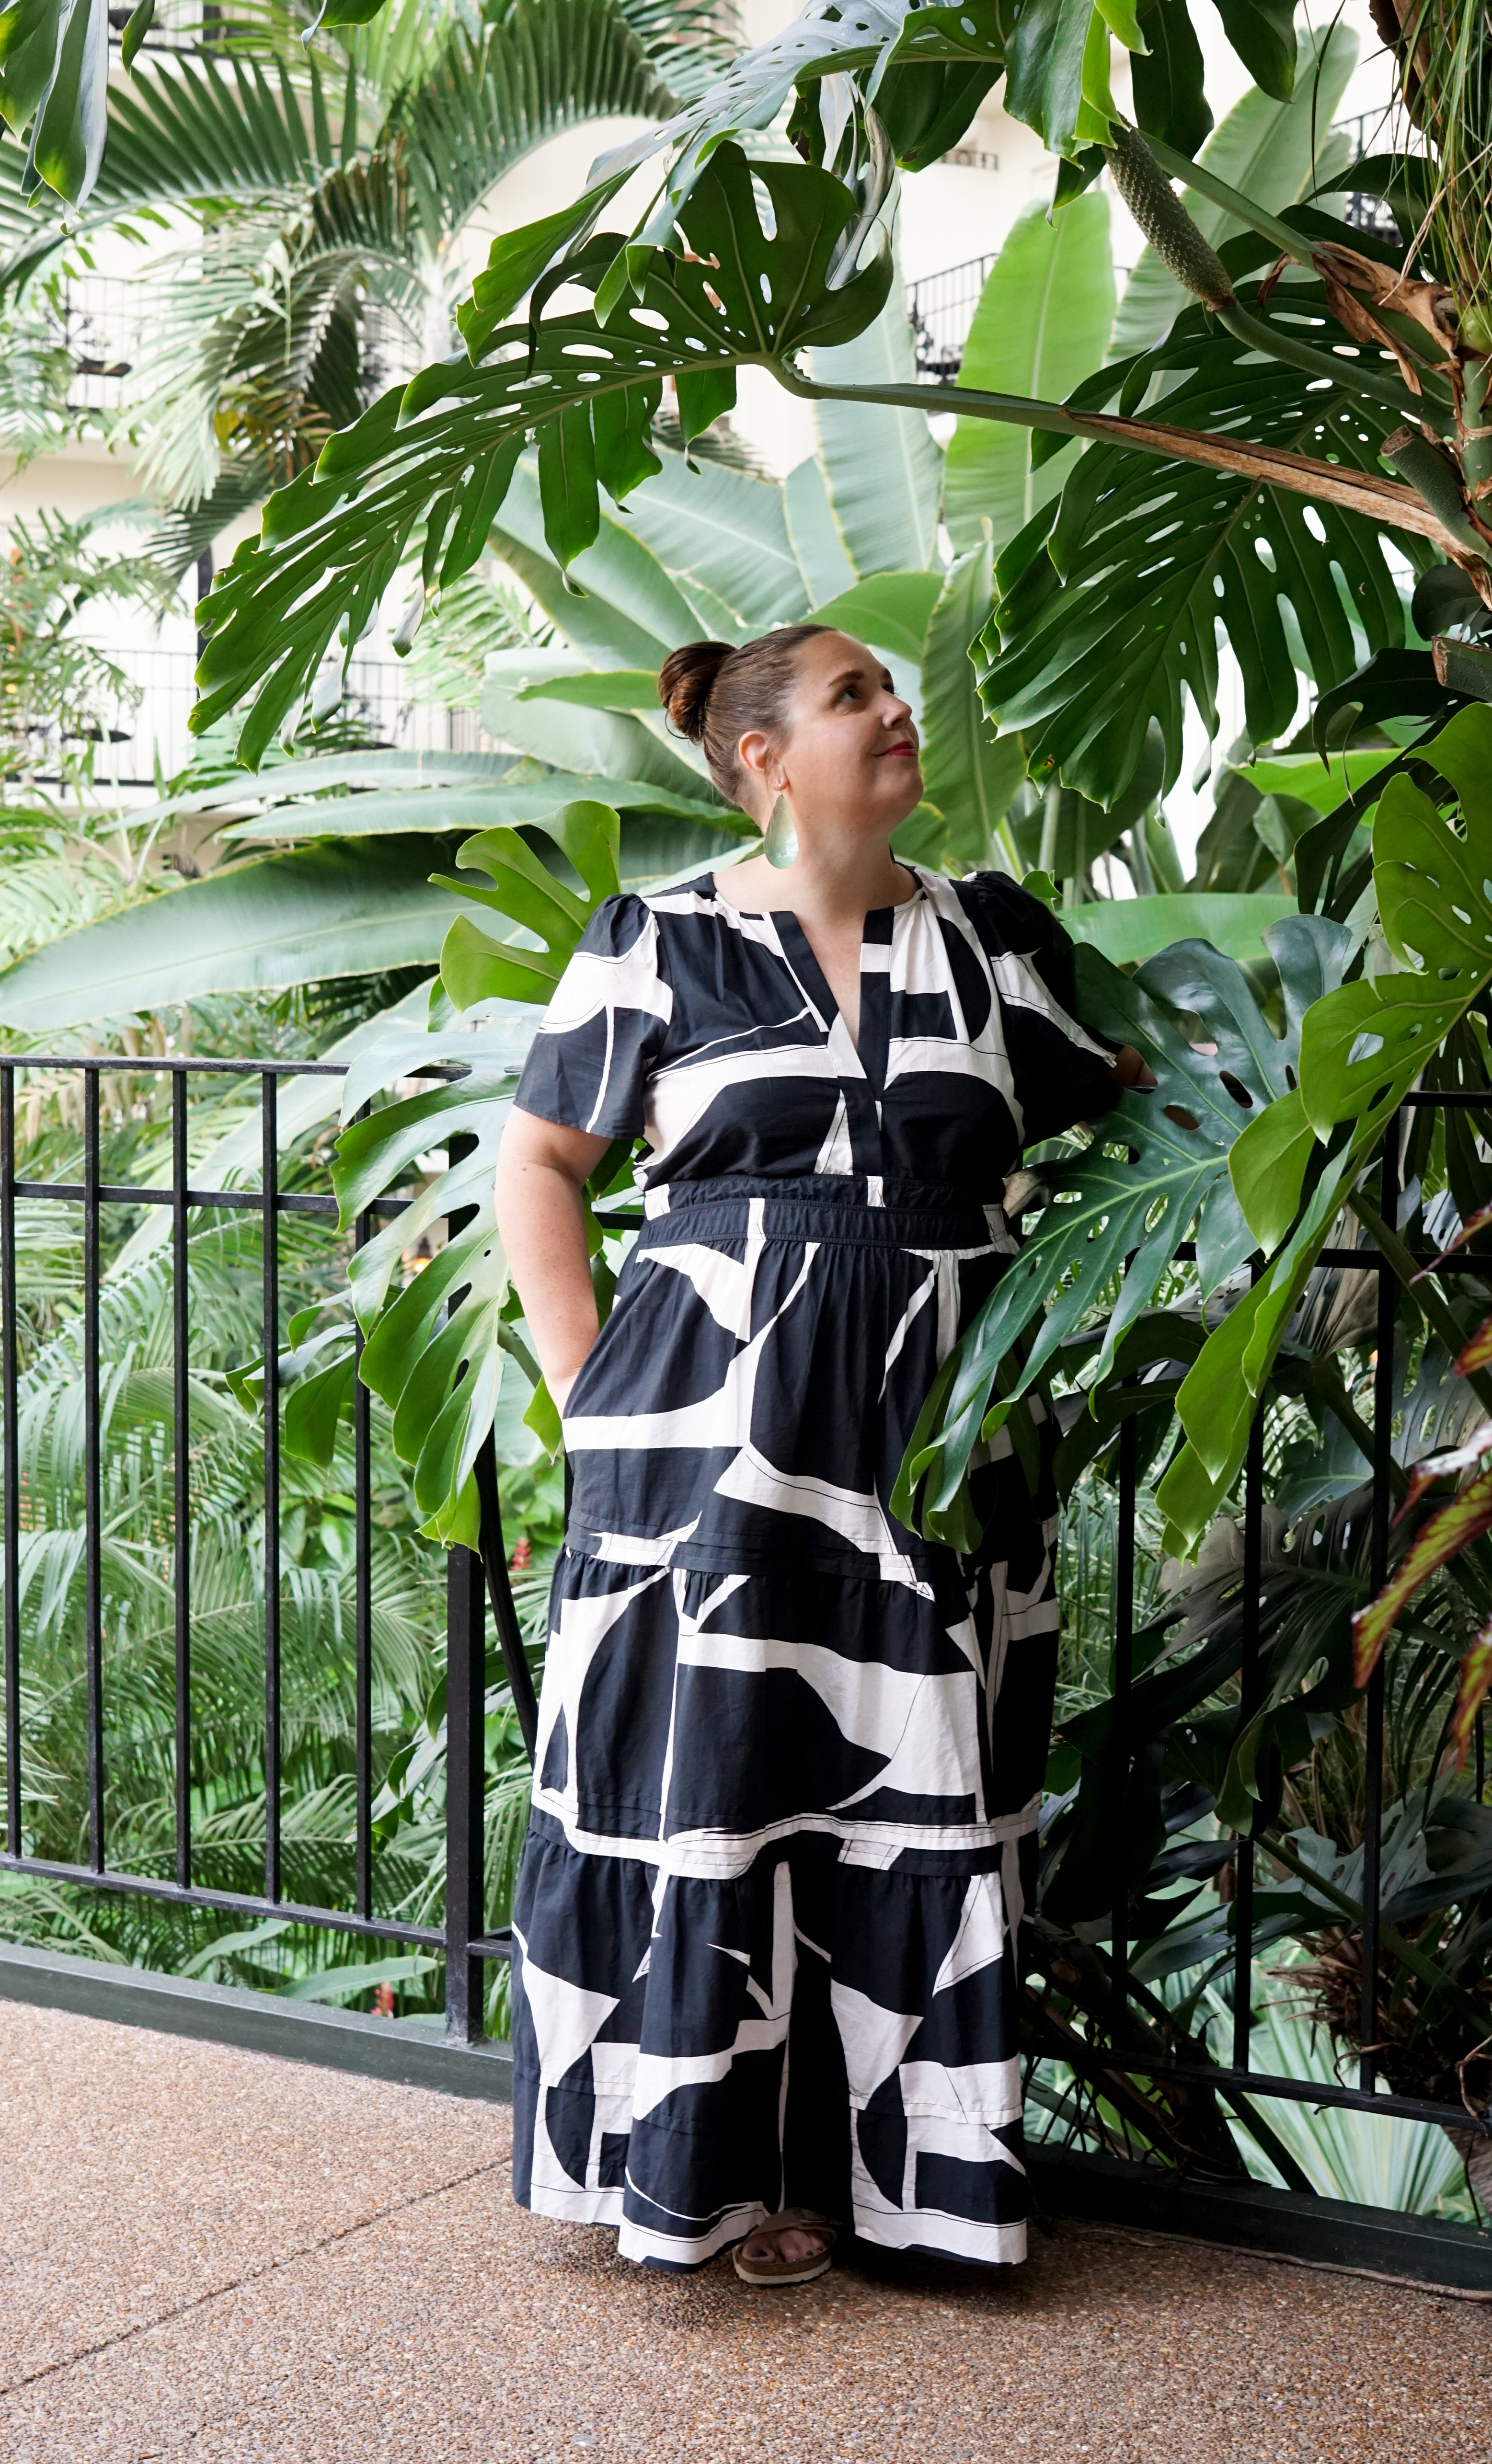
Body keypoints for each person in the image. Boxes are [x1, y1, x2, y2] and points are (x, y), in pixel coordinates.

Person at [496, 624, 1148, 2287]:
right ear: (767, 758)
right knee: (720, 1784)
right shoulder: (661, 939)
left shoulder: (994, 942)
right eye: (854, 694)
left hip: (939, 1445)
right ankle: (718, 2180)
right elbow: (542, 1169)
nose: (894, 708)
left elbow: (1130, 1104)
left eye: (889, 687)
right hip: (708, 1441)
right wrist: (598, 1405)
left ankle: (906, 2192)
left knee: (917, 1799)